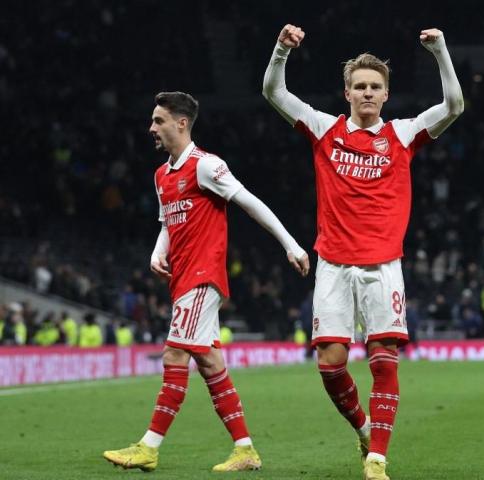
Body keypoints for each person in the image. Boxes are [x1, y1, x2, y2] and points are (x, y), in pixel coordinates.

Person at [263, 24, 463, 480]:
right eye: (360, 87)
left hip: (383, 266)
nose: (367, 93)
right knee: (330, 366)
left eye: (375, 87)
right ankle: (363, 428)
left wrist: (440, 53)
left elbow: (454, 106)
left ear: (386, 94)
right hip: (332, 264)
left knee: (382, 359)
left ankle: (377, 457)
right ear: (347, 92)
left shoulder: (404, 134)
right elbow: (274, 92)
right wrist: (281, 50)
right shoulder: (324, 128)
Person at [103, 91, 310, 472]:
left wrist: (291, 245)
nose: (151, 127)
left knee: (173, 355)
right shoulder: (161, 174)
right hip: (181, 278)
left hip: (203, 277)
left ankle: (149, 447)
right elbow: (169, 220)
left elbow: (249, 201)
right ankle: (245, 450)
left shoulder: (206, 166)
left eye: (158, 120)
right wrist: (157, 250)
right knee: (211, 364)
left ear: (181, 123)